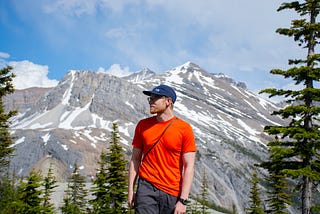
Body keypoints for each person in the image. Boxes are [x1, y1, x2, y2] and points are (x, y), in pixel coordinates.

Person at [128, 84, 197, 214]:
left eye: (155, 98)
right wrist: (131, 191)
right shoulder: (142, 125)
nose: (151, 102)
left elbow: (189, 167)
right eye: (150, 98)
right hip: (146, 188)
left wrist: (183, 201)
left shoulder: (184, 129)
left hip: (172, 192)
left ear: (168, 101)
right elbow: (135, 160)